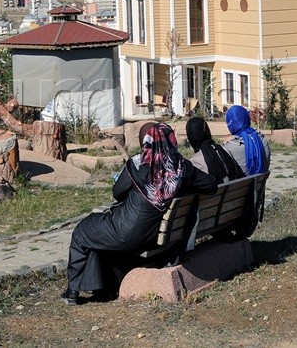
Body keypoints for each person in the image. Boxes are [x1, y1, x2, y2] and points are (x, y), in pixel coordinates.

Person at [63, 122, 216, 305]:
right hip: (157, 236)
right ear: (171, 140)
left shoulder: (137, 164)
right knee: (96, 231)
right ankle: (104, 285)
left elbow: (117, 193)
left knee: (83, 230)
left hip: (125, 231)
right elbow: (210, 185)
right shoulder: (182, 167)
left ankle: (73, 290)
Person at [186, 116, 243, 183]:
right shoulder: (224, 150)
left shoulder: (194, 163)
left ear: (190, 137)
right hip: (235, 191)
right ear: (207, 131)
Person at [223, 105, 270, 175]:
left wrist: (224, 144)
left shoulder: (229, 148)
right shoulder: (262, 140)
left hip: (239, 185)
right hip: (259, 185)